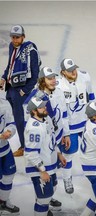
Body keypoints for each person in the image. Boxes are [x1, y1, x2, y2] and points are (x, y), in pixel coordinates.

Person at [23, 66, 71, 210]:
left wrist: (65, 134)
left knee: (53, 181)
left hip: (53, 140)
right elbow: (30, 120)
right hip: (42, 141)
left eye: (54, 78)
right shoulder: (36, 98)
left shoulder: (59, 93)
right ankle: (43, 201)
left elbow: (63, 115)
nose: (53, 81)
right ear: (42, 80)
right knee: (45, 183)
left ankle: (47, 198)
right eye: (49, 79)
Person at [0, 25, 41, 157]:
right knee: (16, 118)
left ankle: (25, 147)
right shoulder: (12, 46)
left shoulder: (31, 50)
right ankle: (24, 143)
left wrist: (25, 90)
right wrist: (3, 78)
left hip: (21, 89)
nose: (14, 40)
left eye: (17, 37)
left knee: (19, 118)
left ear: (23, 36)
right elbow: (10, 66)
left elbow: (35, 74)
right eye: (12, 37)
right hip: (11, 87)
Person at [56, 58, 95, 194]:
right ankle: (67, 178)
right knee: (69, 154)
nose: (74, 71)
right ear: (63, 72)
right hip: (70, 126)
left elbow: (91, 96)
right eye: (69, 70)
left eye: (74, 68)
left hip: (85, 123)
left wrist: (93, 116)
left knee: (93, 149)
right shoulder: (59, 86)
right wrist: (65, 132)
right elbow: (61, 111)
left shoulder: (85, 77)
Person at [24, 97, 66, 216]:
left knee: (52, 189)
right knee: (43, 200)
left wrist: (58, 154)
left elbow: (51, 139)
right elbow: (31, 153)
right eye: (41, 107)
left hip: (50, 165)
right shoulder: (34, 128)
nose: (44, 108)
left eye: (44, 105)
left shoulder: (46, 119)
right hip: (40, 168)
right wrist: (42, 171)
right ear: (33, 111)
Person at [0, 98, 20, 214]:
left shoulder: (4, 103)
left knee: (9, 175)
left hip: (5, 149)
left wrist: (9, 131)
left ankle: (3, 201)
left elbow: (11, 123)